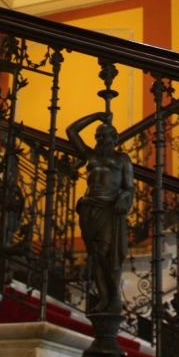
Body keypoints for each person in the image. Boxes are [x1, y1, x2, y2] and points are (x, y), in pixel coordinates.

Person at [66, 111, 134, 314]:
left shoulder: (123, 159)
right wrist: (97, 116)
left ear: (115, 138)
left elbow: (129, 187)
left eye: (105, 136)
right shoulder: (90, 156)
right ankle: (104, 298)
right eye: (98, 136)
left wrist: (123, 199)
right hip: (88, 208)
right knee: (95, 254)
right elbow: (71, 130)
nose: (101, 139)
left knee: (106, 252)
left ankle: (113, 296)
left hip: (108, 209)